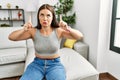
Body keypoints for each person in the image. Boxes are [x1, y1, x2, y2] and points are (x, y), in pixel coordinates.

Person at [8, 4, 83, 80]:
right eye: (42, 15)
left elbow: (79, 36)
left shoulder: (58, 31)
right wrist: (23, 29)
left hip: (55, 65)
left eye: (48, 15)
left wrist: (67, 28)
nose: (45, 18)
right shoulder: (33, 31)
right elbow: (11, 37)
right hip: (37, 65)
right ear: (38, 17)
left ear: (52, 17)